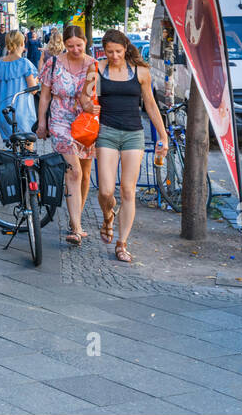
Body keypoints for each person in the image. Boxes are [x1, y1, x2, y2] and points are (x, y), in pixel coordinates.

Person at [92, 29, 169, 262]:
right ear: (103, 51)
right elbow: (86, 97)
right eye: (109, 52)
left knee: (127, 189)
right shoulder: (98, 69)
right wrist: (87, 103)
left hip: (133, 134)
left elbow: (151, 106)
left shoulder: (141, 71)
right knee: (105, 191)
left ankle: (122, 243)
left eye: (118, 51)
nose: (114, 56)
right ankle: (108, 217)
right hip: (106, 132)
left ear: (125, 48)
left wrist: (162, 137)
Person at [37, 24, 97, 244]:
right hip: (60, 120)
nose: (74, 50)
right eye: (70, 46)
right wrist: (42, 122)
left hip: (87, 122)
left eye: (79, 45)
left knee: (85, 172)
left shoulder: (93, 64)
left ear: (85, 43)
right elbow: (44, 96)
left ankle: (75, 219)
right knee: (74, 171)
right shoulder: (54, 64)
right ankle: (77, 227)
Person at [0, 30, 39, 138]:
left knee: (12, 149)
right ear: (22, 44)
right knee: (27, 149)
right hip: (21, 111)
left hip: (4, 112)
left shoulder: (1, 63)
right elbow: (33, 90)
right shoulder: (25, 63)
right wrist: (37, 80)